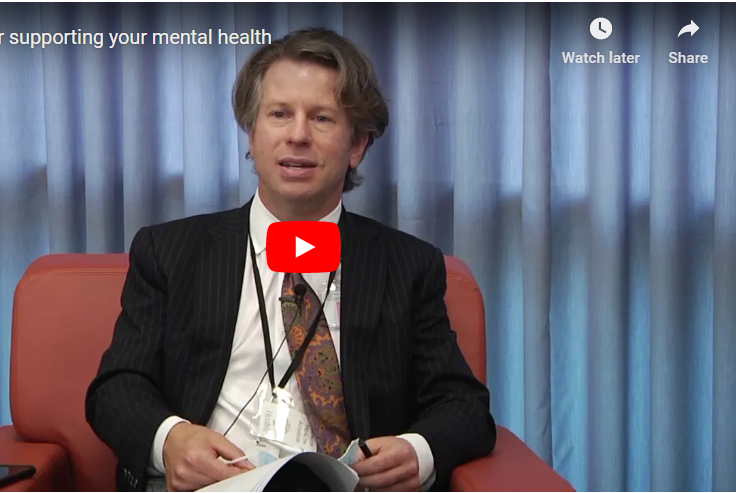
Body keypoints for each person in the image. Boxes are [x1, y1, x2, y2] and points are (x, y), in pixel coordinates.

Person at [85, 27, 496, 492]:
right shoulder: (170, 251)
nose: (298, 135)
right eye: (280, 114)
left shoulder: (408, 266)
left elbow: (463, 406)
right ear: (252, 131)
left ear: (357, 145)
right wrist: (171, 440)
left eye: (322, 118)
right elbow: (117, 387)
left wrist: (418, 451)